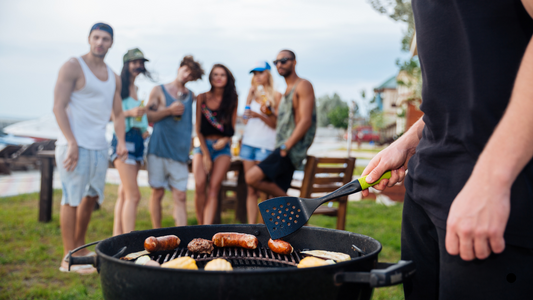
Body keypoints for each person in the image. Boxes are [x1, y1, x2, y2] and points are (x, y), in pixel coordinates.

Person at [360, 1, 533, 299]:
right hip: (425, 190)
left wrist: (493, 180)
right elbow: (473, 83)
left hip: (497, 201)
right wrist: (408, 140)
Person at [53, 22, 127, 274]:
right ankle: (68, 257)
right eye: (96, 37)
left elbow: (118, 114)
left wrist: (122, 142)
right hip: (73, 144)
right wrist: (71, 141)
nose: (100, 42)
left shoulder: (114, 76)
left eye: (105, 39)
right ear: (89, 38)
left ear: (111, 43)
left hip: (99, 146)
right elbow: (58, 107)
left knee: (92, 196)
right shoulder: (73, 65)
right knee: (71, 198)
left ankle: (80, 248)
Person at [246, 50, 316, 197]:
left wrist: (286, 146)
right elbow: (283, 123)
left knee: (251, 177)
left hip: (289, 150)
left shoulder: (303, 85)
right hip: (282, 148)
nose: (279, 64)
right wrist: (269, 113)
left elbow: (305, 120)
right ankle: (293, 214)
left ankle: (295, 207)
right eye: (276, 62)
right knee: (274, 196)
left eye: (284, 60)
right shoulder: (286, 91)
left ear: (294, 62)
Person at [146, 56, 204, 228]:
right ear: (179, 68)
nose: (187, 76)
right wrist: (168, 110)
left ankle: (181, 237)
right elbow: (147, 115)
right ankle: (156, 234)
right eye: (185, 71)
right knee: (157, 192)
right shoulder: (158, 90)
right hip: (158, 150)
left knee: (181, 196)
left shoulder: (191, 95)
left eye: (191, 75)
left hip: (180, 153)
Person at [111, 48, 152, 236]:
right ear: (126, 64)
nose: (138, 66)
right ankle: (129, 241)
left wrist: (143, 129)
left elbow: (135, 115)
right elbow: (112, 114)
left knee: (124, 193)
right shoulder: (119, 85)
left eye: (140, 63)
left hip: (137, 139)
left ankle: (117, 236)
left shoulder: (136, 88)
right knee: (134, 195)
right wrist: (130, 113)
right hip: (123, 139)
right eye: (134, 62)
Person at [193, 64, 238, 225]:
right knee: (199, 185)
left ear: (227, 78)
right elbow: (198, 129)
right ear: (211, 78)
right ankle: (199, 227)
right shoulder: (201, 98)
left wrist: (225, 140)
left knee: (213, 189)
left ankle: (206, 228)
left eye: (222, 75)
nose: (219, 77)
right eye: (215, 75)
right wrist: (205, 154)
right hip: (203, 147)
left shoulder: (232, 99)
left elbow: (231, 129)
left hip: (223, 148)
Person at [241, 61, 281, 223]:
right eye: (255, 74)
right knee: (251, 189)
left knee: (262, 187)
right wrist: (248, 101)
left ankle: (264, 226)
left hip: (265, 145)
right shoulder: (250, 93)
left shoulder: (276, 96)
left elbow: (275, 125)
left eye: (261, 73)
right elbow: (245, 120)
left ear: (268, 74)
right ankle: (251, 226)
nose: (257, 77)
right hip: (248, 144)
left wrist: (260, 115)